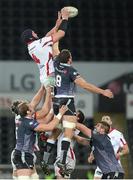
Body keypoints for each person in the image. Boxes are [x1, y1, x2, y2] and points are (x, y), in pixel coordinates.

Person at [45, 40, 114, 176]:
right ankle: (62, 160)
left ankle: (45, 159)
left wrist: (57, 34)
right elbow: (85, 85)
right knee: (69, 133)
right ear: (70, 60)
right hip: (67, 100)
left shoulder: (56, 63)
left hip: (56, 102)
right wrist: (103, 92)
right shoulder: (71, 71)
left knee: (57, 130)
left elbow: (55, 49)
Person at [11, 99, 68, 180]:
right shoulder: (28, 122)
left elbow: (47, 121)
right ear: (28, 112)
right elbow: (49, 127)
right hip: (23, 154)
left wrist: (53, 107)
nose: (32, 105)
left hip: (24, 154)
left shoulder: (25, 120)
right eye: (30, 106)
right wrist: (60, 114)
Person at [21, 9, 69, 91]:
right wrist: (65, 19)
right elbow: (61, 34)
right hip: (51, 74)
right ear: (30, 37)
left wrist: (56, 26)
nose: (35, 33)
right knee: (55, 100)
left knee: (49, 99)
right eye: (33, 33)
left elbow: (46, 37)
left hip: (44, 76)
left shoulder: (31, 47)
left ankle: (30, 105)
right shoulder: (39, 43)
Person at [11, 85, 52, 180]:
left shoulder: (22, 115)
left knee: (33, 177)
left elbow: (34, 102)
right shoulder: (26, 119)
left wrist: (42, 88)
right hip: (23, 153)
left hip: (23, 152)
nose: (30, 104)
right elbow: (45, 113)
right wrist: (49, 93)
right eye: (25, 105)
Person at [88, 115, 129, 180]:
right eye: (103, 119)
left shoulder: (118, 134)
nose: (105, 120)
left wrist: (119, 154)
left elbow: (126, 149)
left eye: (107, 119)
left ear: (111, 122)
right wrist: (91, 155)